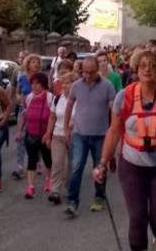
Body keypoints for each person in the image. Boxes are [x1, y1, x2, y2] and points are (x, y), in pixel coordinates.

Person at [93, 50, 156, 251]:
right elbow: (113, 131)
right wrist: (102, 162)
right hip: (132, 166)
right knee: (137, 219)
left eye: (153, 66)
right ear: (136, 69)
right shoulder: (124, 96)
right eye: (143, 65)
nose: (148, 70)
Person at [63, 57, 116, 217]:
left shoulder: (107, 85)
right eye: (84, 72)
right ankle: (72, 202)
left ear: (97, 70)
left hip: (100, 135)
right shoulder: (76, 86)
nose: (87, 75)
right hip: (80, 133)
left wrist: (113, 130)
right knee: (76, 167)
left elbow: (113, 109)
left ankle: (99, 197)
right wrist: (66, 127)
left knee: (100, 168)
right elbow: (70, 104)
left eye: (91, 72)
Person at [43, 72, 76, 205]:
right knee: (57, 163)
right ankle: (55, 190)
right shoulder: (58, 99)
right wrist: (48, 134)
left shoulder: (79, 100)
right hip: (58, 135)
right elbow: (52, 117)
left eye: (70, 83)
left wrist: (73, 125)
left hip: (75, 137)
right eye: (65, 83)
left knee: (70, 165)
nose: (67, 85)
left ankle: (69, 188)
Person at [21, 73, 53, 199]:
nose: (34, 86)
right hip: (31, 134)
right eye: (32, 84)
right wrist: (20, 131)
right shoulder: (29, 98)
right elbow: (25, 115)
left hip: (45, 134)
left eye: (37, 84)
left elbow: (53, 117)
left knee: (47, 159)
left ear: (43, 85)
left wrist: (49, 134)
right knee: (31, 160)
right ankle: (30, 186)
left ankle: (49, 179)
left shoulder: (50, 98)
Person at [13, 53, 42, 180]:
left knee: (37, 138)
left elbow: (47, 92)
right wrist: (19, 99)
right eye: (33, 62)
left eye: (37, 62)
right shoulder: (23, 78)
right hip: (24, 110)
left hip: (38, 111)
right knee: (20, 138)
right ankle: (19, 166)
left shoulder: (42, 78)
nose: (35, 64)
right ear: (27, 64)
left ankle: (37, 162)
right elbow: (18, 92)